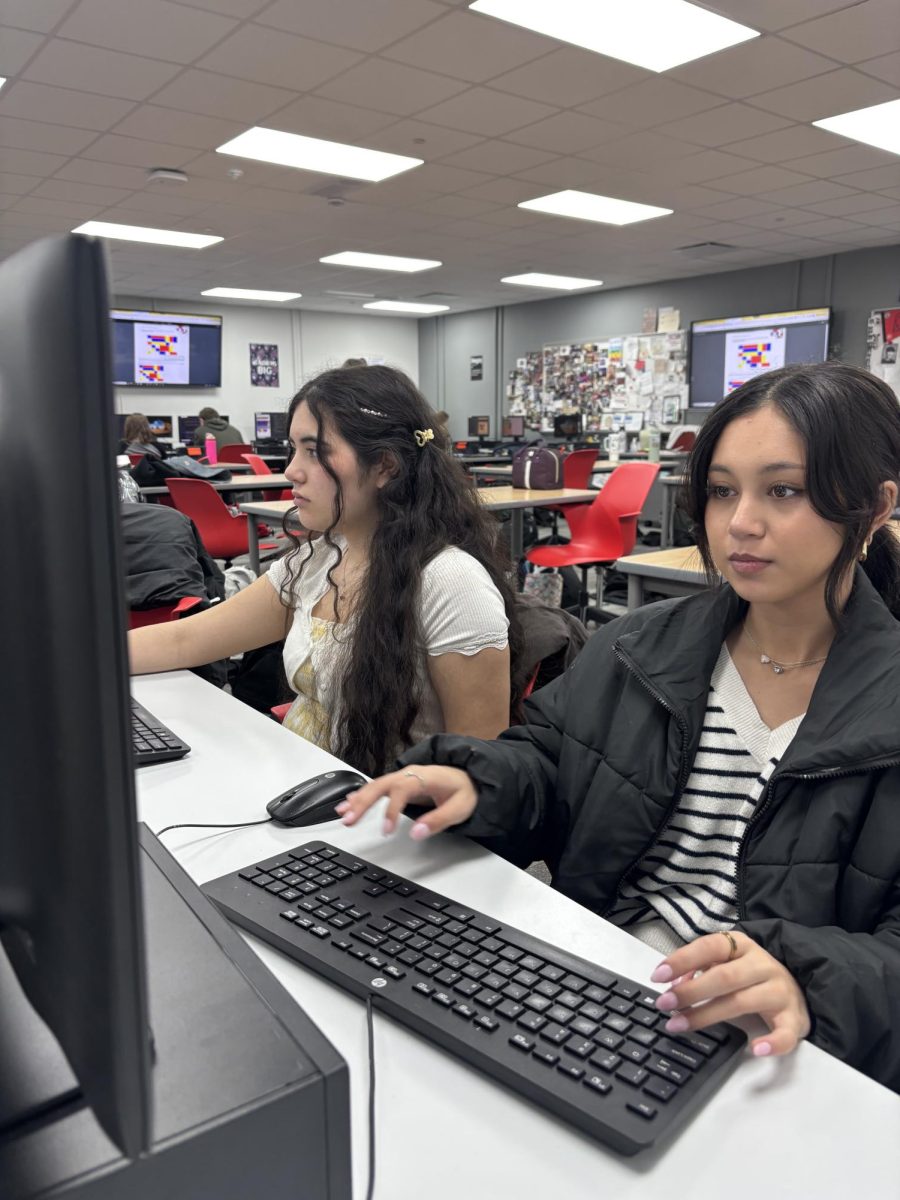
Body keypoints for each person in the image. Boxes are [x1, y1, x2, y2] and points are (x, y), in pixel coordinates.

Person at [340, 361, 900, 1092]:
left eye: (783, 491)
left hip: (773, 1047)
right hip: (602, 985)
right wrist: (476, 781)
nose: (739, 524)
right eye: (723, 491)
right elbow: (550, 758)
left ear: (875, 506)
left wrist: (812, 982)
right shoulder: (643, 645)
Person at [130, 363, 521, 775]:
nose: (290, 470)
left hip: (381, 820)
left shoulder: (451, 583)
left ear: (385, 466)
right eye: (294, 448)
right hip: (302, 787)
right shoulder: (319, 560)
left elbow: (479, 777)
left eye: (314, 452)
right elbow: (185, 639)